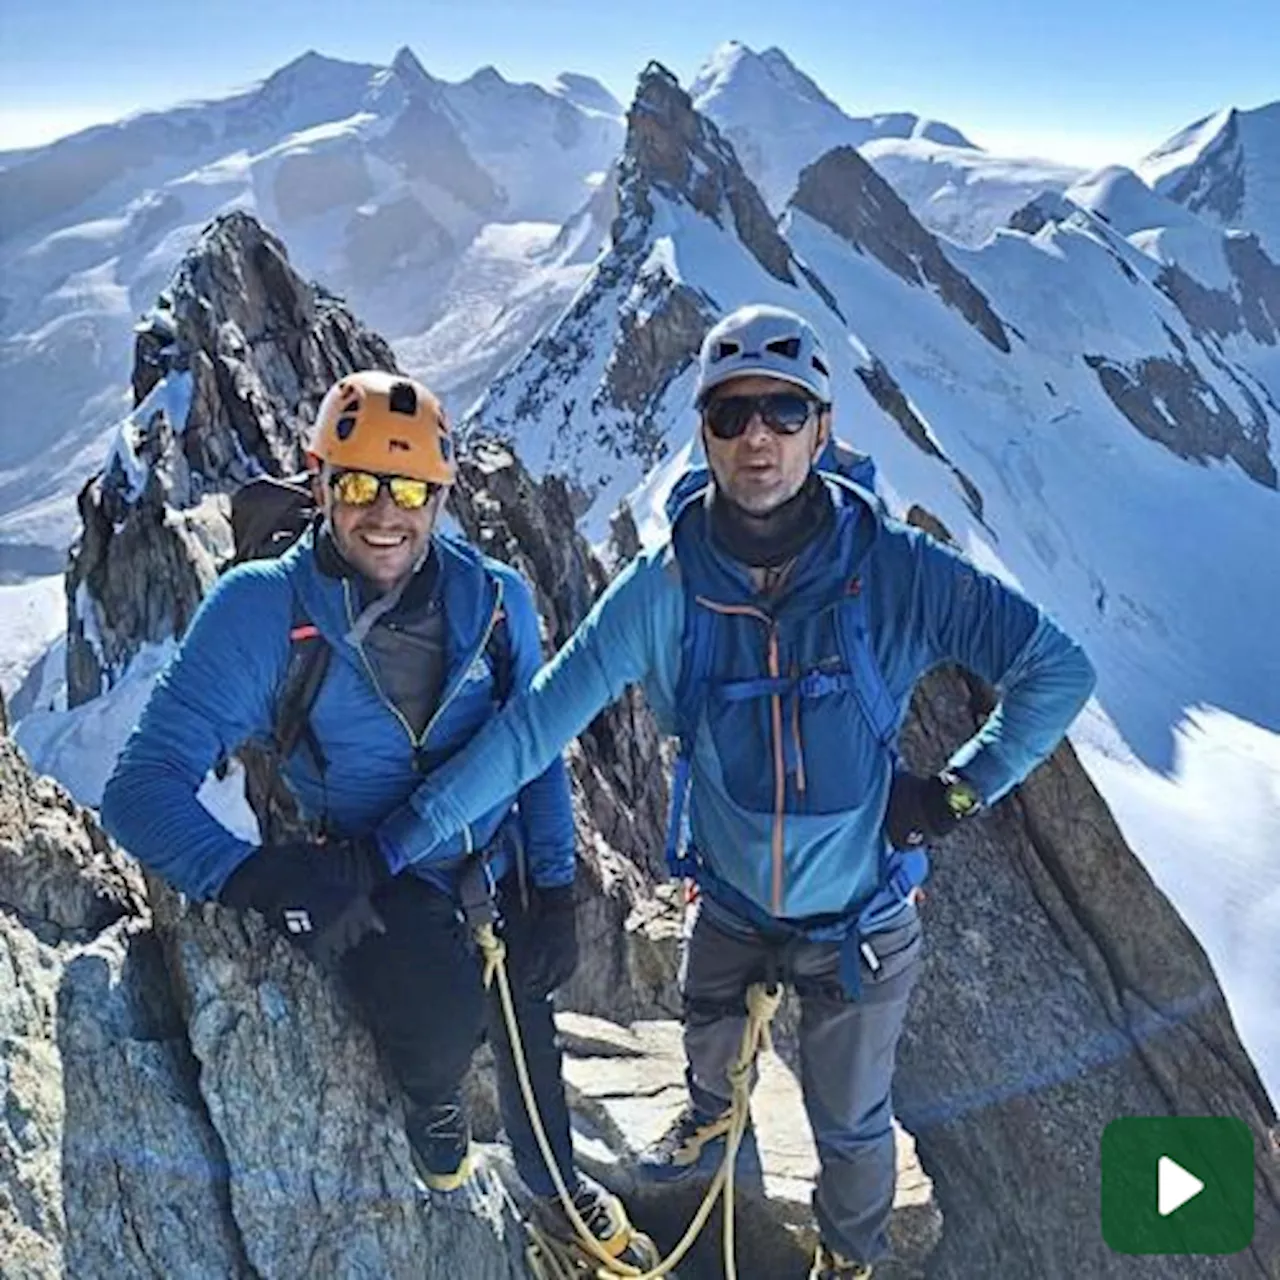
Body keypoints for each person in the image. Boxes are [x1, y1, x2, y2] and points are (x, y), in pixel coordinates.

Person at [364, 307, 1098, 1279]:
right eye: (729, 413)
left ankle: (848, 1257)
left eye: (783, 409)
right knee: (710, 1050)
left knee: (849, 1122)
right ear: (703, 430)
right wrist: (392, 841)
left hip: (858, 914)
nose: (757, 435)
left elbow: (1055, 668)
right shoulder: (663, 584)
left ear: (821, 427)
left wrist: (953, 794)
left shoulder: (896, 572)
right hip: (732, 896)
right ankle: (713, 1116)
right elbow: (536, 726)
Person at [100, 370, 653, 1268]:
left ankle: (553, 1186)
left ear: (440, 496)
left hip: (494, 862)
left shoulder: (499, 599)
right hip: (371, 874)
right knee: (440, 1018)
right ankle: (432, 1097)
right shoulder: (264, 610)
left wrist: (552, 887)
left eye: (407, 490)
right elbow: (139, 788)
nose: (383, 513)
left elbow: (535, 748)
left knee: (525, 1013)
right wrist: (261, 878)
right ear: (319, 483)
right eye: (358, 485)